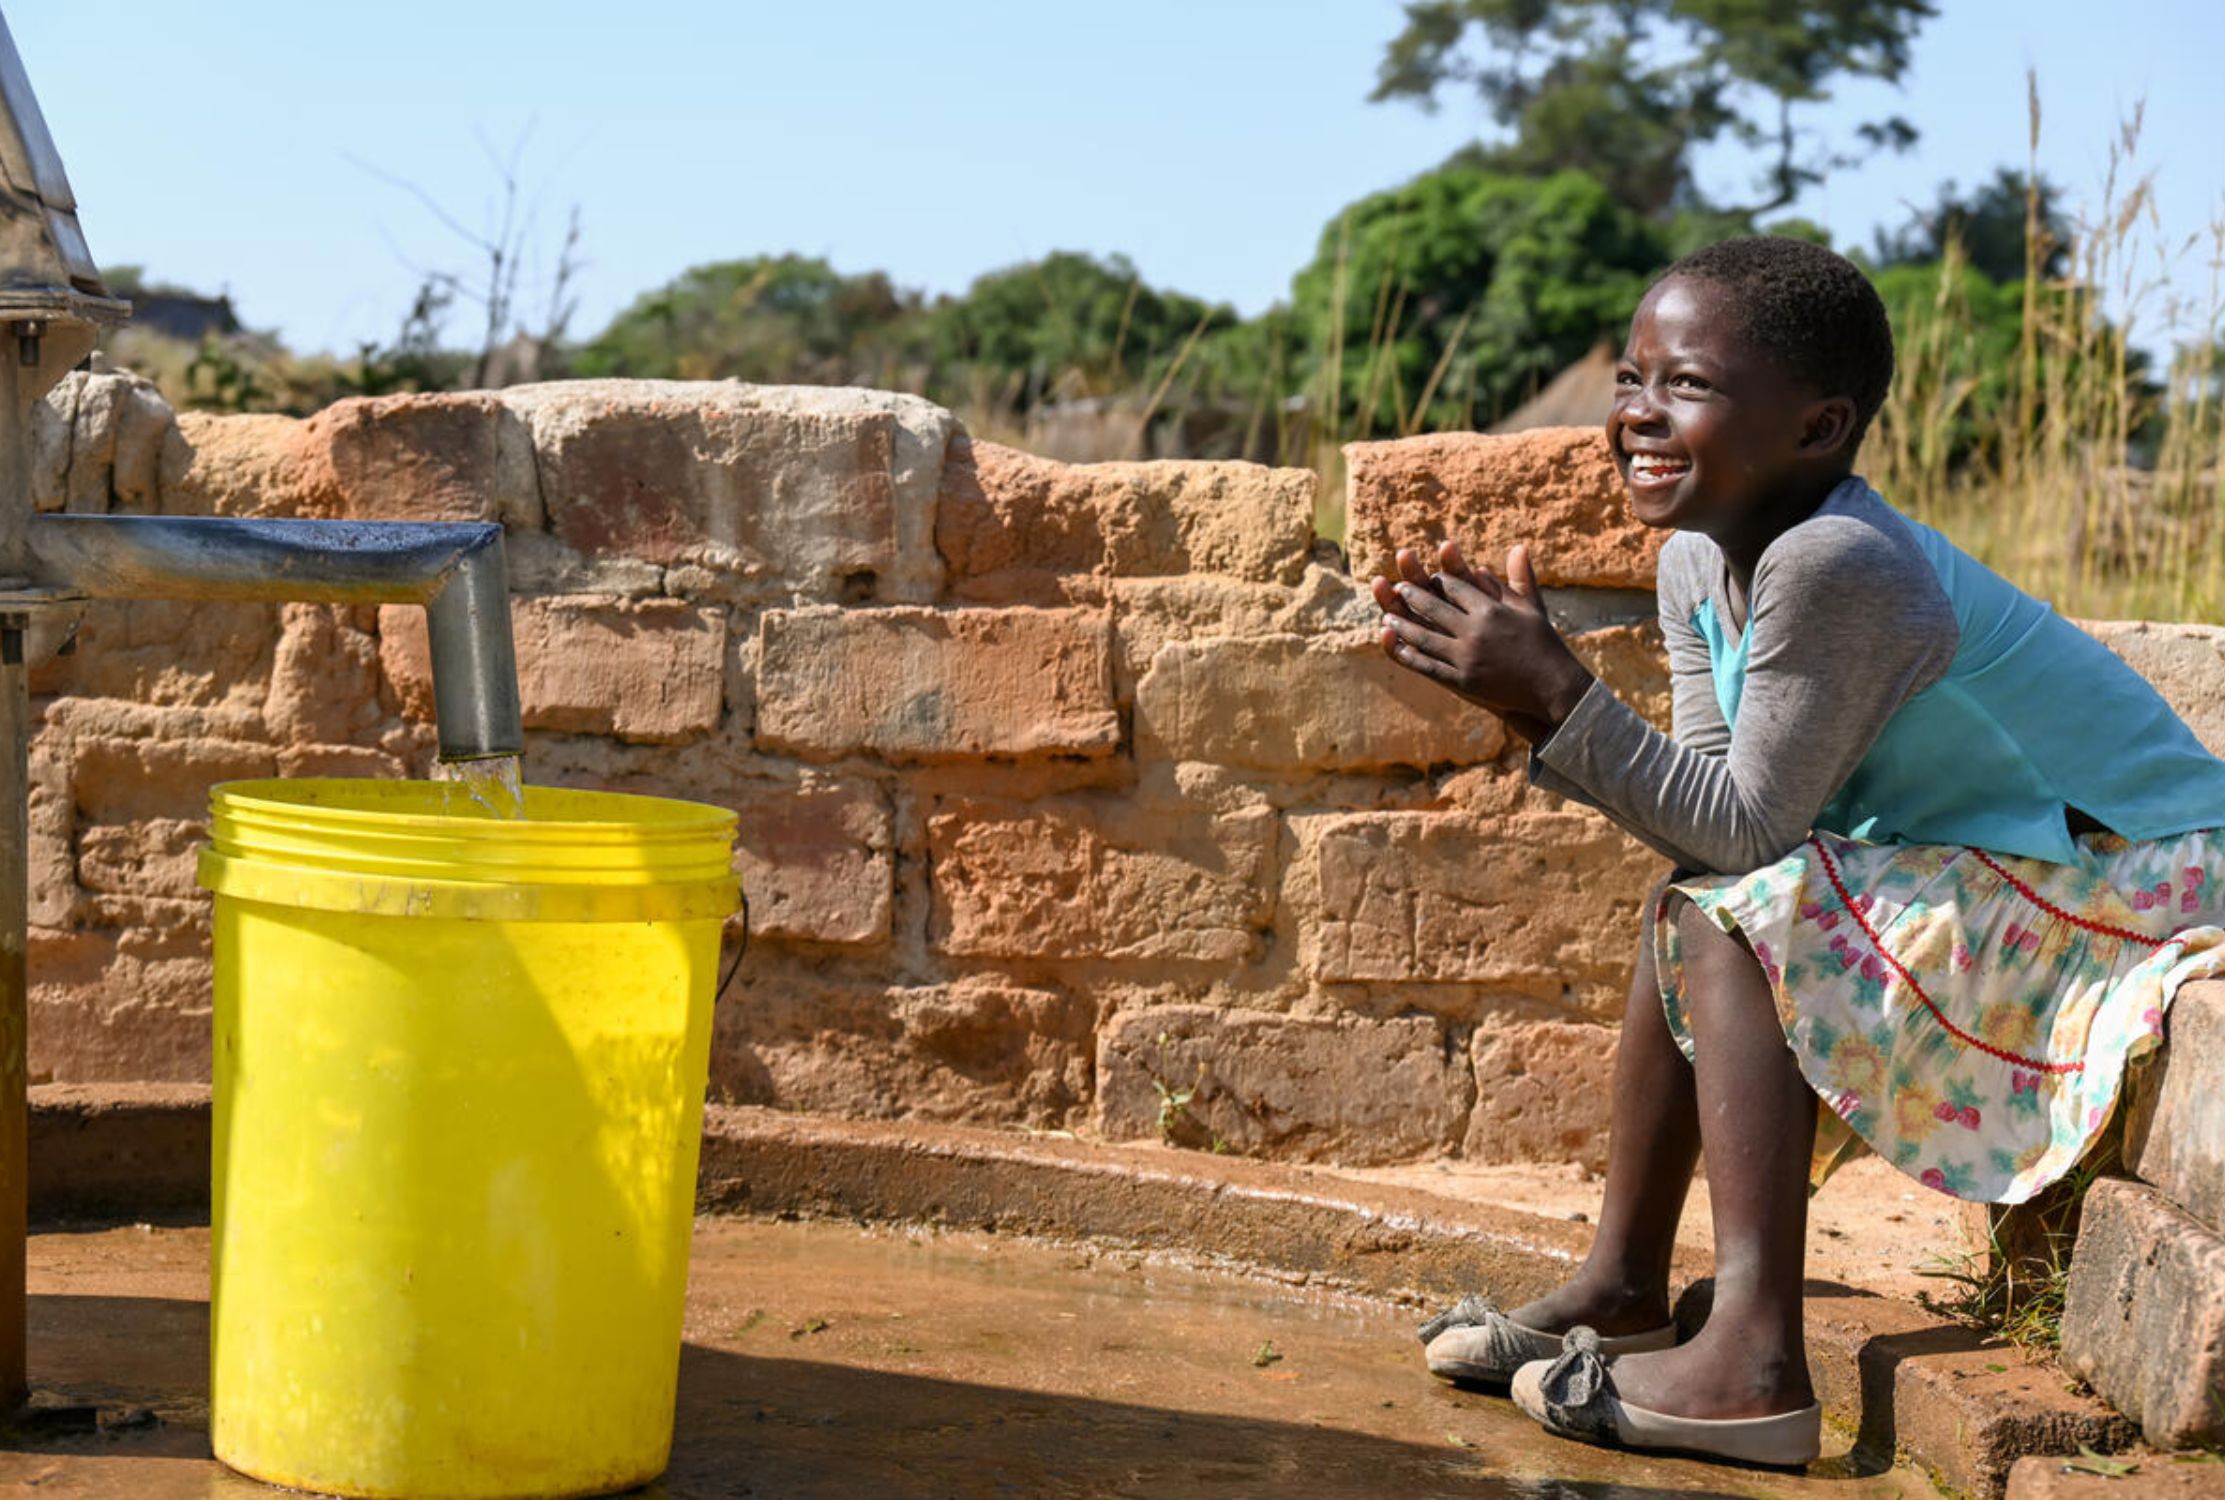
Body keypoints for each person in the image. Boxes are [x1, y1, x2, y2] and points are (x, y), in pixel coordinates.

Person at [1373, 235, 2225, 1469]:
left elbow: (1751, 836)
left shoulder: (1840, 562)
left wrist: (1554, 693)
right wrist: (1518, 694)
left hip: (2132, 872)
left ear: (1819, 426)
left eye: (1687, 387)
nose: (1634, 416)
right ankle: (1621, 1285)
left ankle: (1753, 1362)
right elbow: (1709, 818)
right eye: (1629, 378)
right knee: (1698, 892)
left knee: (1735, 907)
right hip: (2003, 865)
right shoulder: (1692, 564)